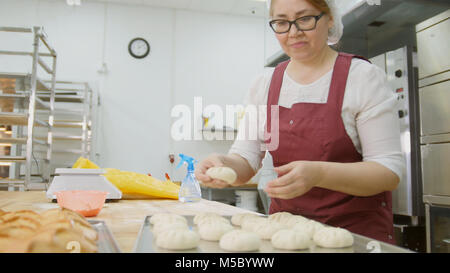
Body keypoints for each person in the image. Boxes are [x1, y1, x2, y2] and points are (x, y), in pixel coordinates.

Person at [195, 0, 404, 244]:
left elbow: (387, 171)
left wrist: (319, 173)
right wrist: (225, 165)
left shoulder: (362, 78)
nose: (293, 32)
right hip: (285, 235)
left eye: (305, 19)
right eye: (282, 22)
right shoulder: (264, 85)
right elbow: (246, 158)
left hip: (355, 235)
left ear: (330, 19)